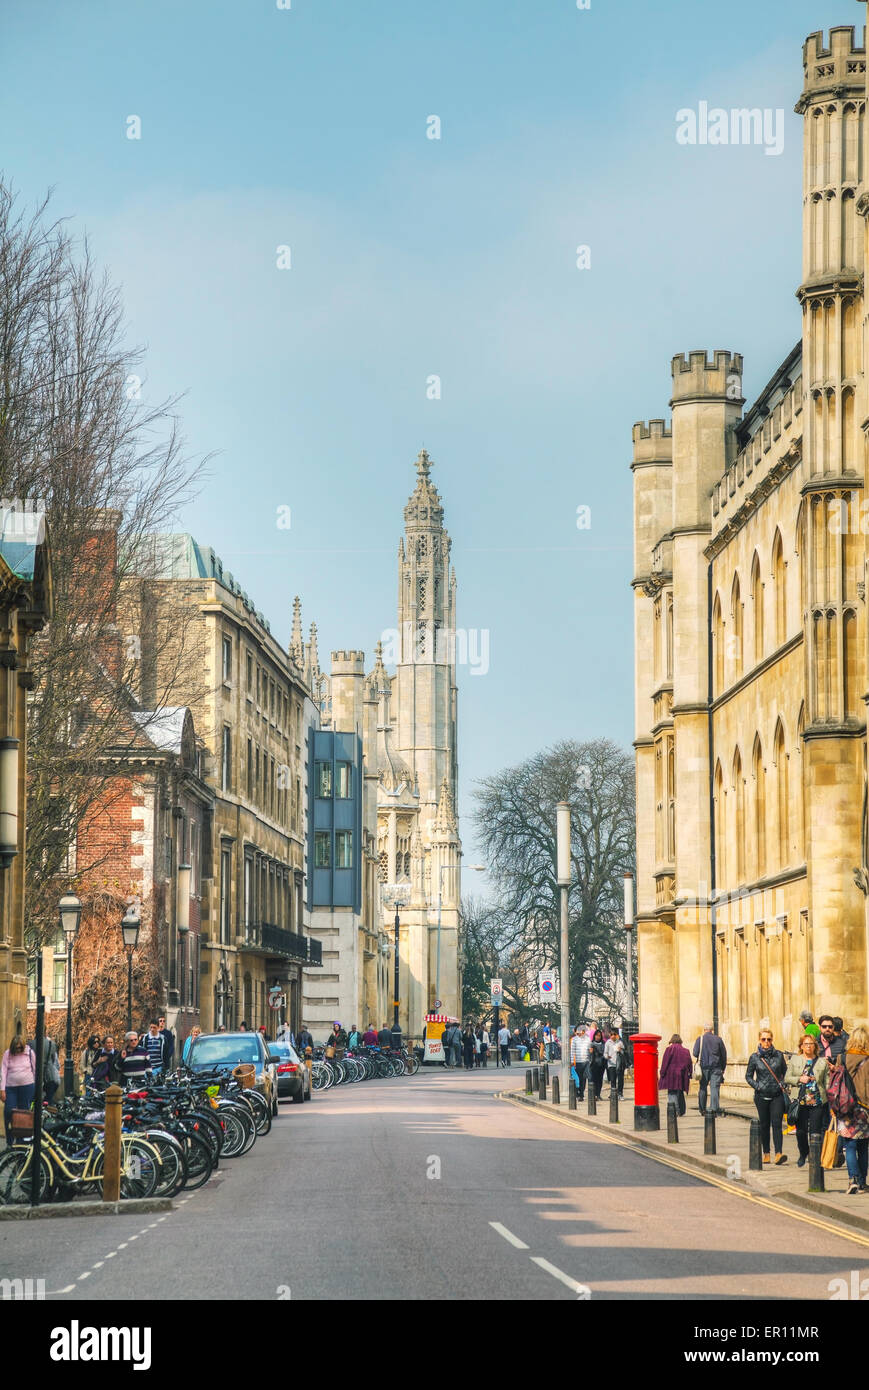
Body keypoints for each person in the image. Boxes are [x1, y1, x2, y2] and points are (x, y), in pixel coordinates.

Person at [833, 1021, 869, 1195]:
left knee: (850, 1145)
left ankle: (852, 1180)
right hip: (864, 1109)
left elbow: (834, 1083)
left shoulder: (842, 1058)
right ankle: (862, 1183)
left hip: (845, 1107)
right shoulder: (868, 1059)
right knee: (863, 1147)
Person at [744, 1027, 788, 1165]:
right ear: (759, 1040)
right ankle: (766, 1153)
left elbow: (785, 1073)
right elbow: (748, 1076)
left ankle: (779, 1153)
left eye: (769, 1039)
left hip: (777, 1095)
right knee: (764, 1125)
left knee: (777, 1124)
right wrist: (758, 1086)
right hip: (761, 1096)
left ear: (772, 1040)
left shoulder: (779, 1055)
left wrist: (783, 1084)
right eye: (763, 1039)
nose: (766, 1042)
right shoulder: (754, 1057)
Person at [784, 1033, 829, 1168]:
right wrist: (799, 1079)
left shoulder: (822, 1062)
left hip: (817, 1101)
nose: (808, 1046)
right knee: (801, 1131)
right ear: (801, 1046)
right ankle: (803, 1153)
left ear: (815, 1046)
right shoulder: (795, 1060)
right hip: (801, 1101)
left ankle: (815, 1158)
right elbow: (787, 1078)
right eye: (806, 1044)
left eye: (811, 1044)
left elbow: (826, 1082)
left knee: (815, 1132)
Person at [1, 1035, 37, 1142]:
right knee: (8, 1112)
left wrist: (36, 1087)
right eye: (16, 1048)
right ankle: (10, 1140)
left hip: (27, 1087)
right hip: (10, 1088)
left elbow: (35, 1070)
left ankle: (21, 1142)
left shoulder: (30, 1053)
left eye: (20, 1048)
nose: (18, 1050)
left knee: (23, 1115)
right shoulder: (7, 1054)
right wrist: (2, 1089)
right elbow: (3, 1071)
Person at [692, 1024, 727, 1116]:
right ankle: (714, 1109)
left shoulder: (700, 1039)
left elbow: (695, 1053)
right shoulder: (718, 1039)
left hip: (703, 1068)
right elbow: (723, 1055)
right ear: (712, 1030)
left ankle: (702, 1110)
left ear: (704, 1030)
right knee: (714, 1088)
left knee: (703, 1088)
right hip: (716, 1068)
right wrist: (723, 1068)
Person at [658, 1033, 692, 1117]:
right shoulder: (686, 1051)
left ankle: (674, 1110)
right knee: (679, 1092)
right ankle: (681, 1110)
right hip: (682, 1075)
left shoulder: (669, 1049)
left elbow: (665, 1063)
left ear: (671, 1041)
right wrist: (690, 1074)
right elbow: (689, 1063)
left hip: (671, 1075)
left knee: (672, 1092)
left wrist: (662, 1073)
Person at [570, 1025, 590, 1100]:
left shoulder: (587, 1039)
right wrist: (572, 1061)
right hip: (578, 1062)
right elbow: (572, 1051)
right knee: (578, 1078)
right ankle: (579, 1092)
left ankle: (581, 1094)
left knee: (584, 1078)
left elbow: (589, 1049)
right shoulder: (574, 1039)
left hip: (586, 1061)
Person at [604, 1029, 625, 1096]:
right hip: (611, 1064)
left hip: (619, 1064)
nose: (613, 1036)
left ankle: (620, 1093)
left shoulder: (620, 1042)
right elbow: (605, 1053)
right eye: (611, 1035)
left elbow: (624, 1053)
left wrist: (620, 1050)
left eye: (614, 1034)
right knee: (612, 1080)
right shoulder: (608, 1042)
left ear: (617, 1035)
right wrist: (607, 1057)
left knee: (620, 1079)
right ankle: (613, 1093)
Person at [42, 1034, 61, 1104]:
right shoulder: (53, 1051)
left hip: (47, 1078)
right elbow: (57, 1065)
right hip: (53, 1078)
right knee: (48, 1098)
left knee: (47, 1098)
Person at [589, 1028, 606, 1100]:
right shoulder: (591, 1044)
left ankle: (598, 1094)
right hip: (594, 1064)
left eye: (599, 1036)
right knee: (593, 1079)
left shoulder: (603, 1044)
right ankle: (594, 1094)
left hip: (601, 1064)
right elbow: (589, 1055)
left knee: (600, 1080)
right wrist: (590, 1052)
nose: (597, 1037)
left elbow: (604, 1053)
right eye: (596, 1035)